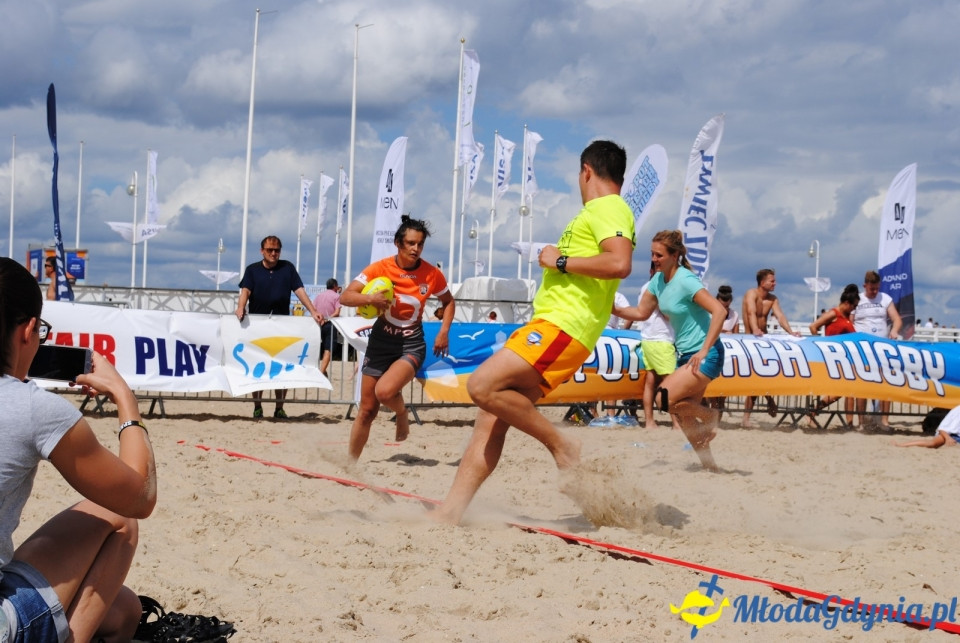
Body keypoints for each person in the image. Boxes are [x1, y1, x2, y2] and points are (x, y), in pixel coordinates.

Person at [432, 140, 635, 524]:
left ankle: (562, 445)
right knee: (489, 421)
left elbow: (619, 263)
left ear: (586, 171)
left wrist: (558, 260)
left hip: (563, 327)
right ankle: (450, 513)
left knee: (482, 386)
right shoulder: (604, 210)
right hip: (556, 326)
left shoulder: (607, 206)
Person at [0, 257, 157, 641]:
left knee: (124, 608)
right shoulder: (31, 407)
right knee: (119, 519)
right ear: (29, 331)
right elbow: (138, 496)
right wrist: (124, 396)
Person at [339, 216, 455, 461]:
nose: (416, 249)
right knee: (367, 411)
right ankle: (350, 464)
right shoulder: (379, 268)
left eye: (420, 244)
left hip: (411, 343)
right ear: (398, 244)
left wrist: (444, 331)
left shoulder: (432, 274)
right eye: (411, 244)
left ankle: (402, 413)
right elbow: (346, 297)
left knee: (385, 392)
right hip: (381, 341)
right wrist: (371, 299)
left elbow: (448, 301)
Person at [615, 230, 727, 471]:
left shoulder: (686, 280)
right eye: (652, 254)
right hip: (686, 355)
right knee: (686, 419)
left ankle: (712, 416)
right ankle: (711, 467)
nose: (654, 259)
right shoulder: (657, 281)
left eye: (659, 255)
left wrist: (704, 350)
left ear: (675, 255)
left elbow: (720, 311)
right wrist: (612, 309)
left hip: (706, 354)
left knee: (663, 399)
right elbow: (640, 313)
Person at [235, 236, 325, 419]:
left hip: (283, 325)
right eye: (269, 250)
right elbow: (246, 290)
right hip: (257, 326)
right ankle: (257, 406)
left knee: (283, 367)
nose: (273, 253)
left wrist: (313, 311)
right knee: (257, 367)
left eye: (276, 250)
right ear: (262, 251)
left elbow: (299, 290)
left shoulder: (288, 268)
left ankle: (279, 407)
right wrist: (240, 306)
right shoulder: (252, 270)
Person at [741, 268, 799, 427]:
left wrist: (791, 332)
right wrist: (754, 329)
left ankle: (763, 405)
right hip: (751, 340)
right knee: (755, 379)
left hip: (764, 341)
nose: (775, 283)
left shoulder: (773, 299)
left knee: (765, 375)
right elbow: (751, 312)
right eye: (772, 280)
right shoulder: (751, 294)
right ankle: (759, 408)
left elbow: (780, 316)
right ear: (762, 282)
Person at [853, 270, 903, 430]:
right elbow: (849, 321)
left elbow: (896, 319)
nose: (874, 292)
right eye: (871, 289)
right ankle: (861, 421)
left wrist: (894, 331)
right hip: (862, 348)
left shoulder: (886, 299)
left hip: (882, 348)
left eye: (876, 289)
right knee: (862, 386)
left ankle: (884, 421)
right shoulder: (857, 300)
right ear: (865, 285)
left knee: (885, 383)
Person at [807, 284, 860, 424]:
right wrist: (821, 345)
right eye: (854, 306)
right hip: (833, 357)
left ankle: (849, 423)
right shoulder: (833, 314)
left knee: (850, 391)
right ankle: (813, 411)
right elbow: (813, 326)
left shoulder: (847, 316)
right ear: (847, 303)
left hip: (845, 358)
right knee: (843, 391)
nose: (855, 309)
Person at [589, 291, 638, 427]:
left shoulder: (613, 295)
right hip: (607, 338)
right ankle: (605, 413)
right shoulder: (616, 295)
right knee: (609, 375)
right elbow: (630, 315)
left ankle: (599, 413)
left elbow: (630, 315)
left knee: (599, 375)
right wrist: (622, 331)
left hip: (598, 336)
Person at [706, 285, 738, 419]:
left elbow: (737, 335)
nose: (724, 309)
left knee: (722, 393)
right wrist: (723, 331)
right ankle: (708, 417)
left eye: (726, 306)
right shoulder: (708, 313)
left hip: (727, 354)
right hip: (711, 351)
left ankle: (716, 420)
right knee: (710, 390)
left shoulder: (734, 314)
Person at [312, 278, 342, 378]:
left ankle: (321, 371)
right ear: (335, 286)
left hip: (317, 323)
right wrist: (327, 319)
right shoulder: (336, 296)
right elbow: (337, 312)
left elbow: (313, 309)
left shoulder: (319, 296)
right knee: (328, 349)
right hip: (330, 323)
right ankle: (322, 371)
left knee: (317, 347)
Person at [893, 405, 960, 448]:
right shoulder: (957, 411)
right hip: (948, 434)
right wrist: (948, 438)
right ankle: (902, 445)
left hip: (955, 435)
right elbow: (942, 429)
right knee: (932, 443)